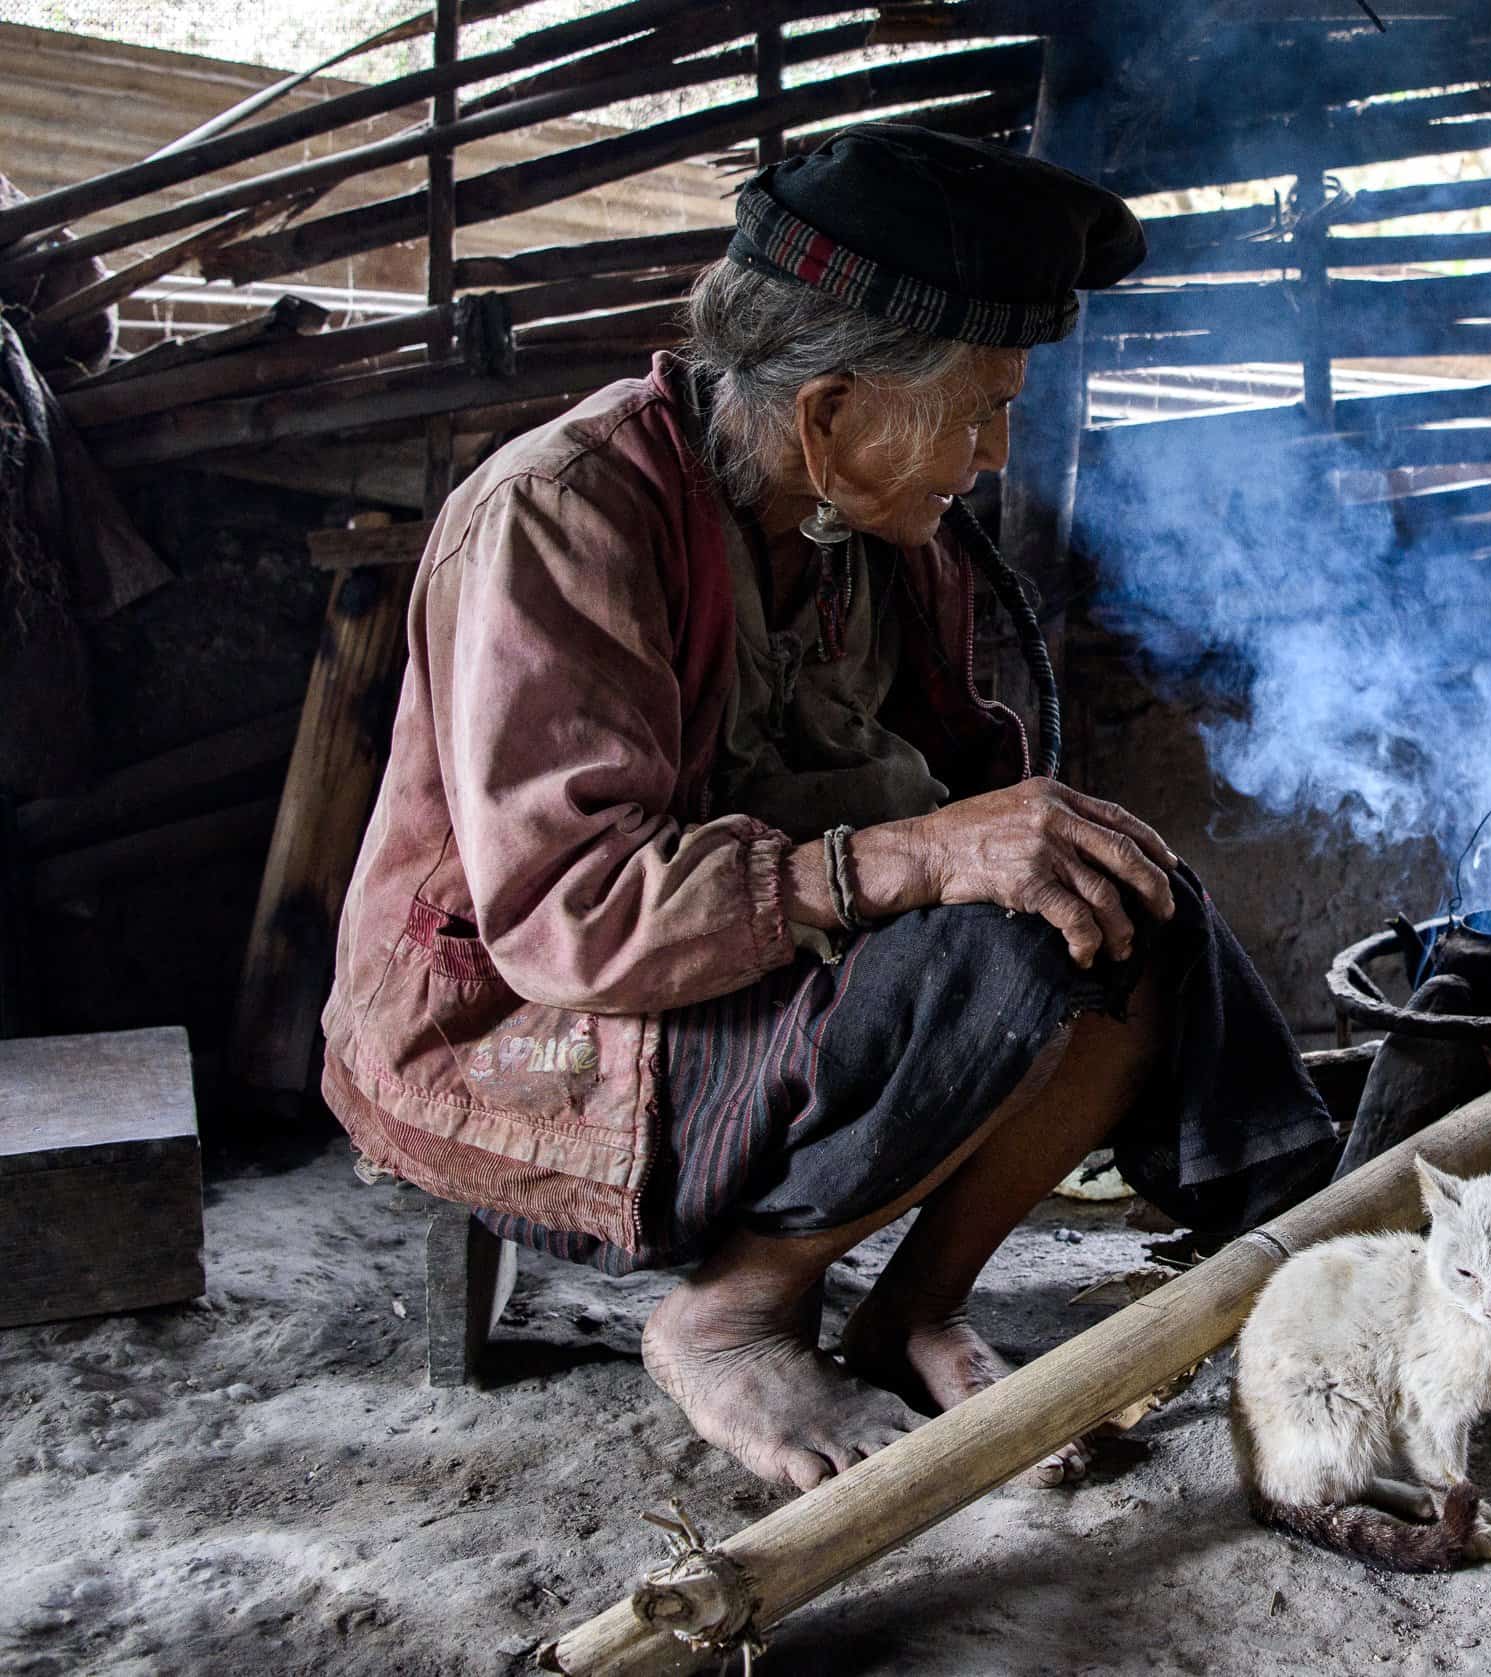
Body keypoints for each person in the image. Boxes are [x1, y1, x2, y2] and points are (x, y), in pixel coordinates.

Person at [321, 124, 1337, 1491]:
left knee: (1119, 909)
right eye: (976, 410)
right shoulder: (562, 516)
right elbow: (571, 918)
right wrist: (913, 858)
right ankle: (732, 1307)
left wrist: (1022, 841)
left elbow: (964, 793)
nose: (989, 452)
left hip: (754, 983)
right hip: (537, 1022)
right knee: (1015, 948)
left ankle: (937, 1299)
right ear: (830, 410)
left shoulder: (874, 527)